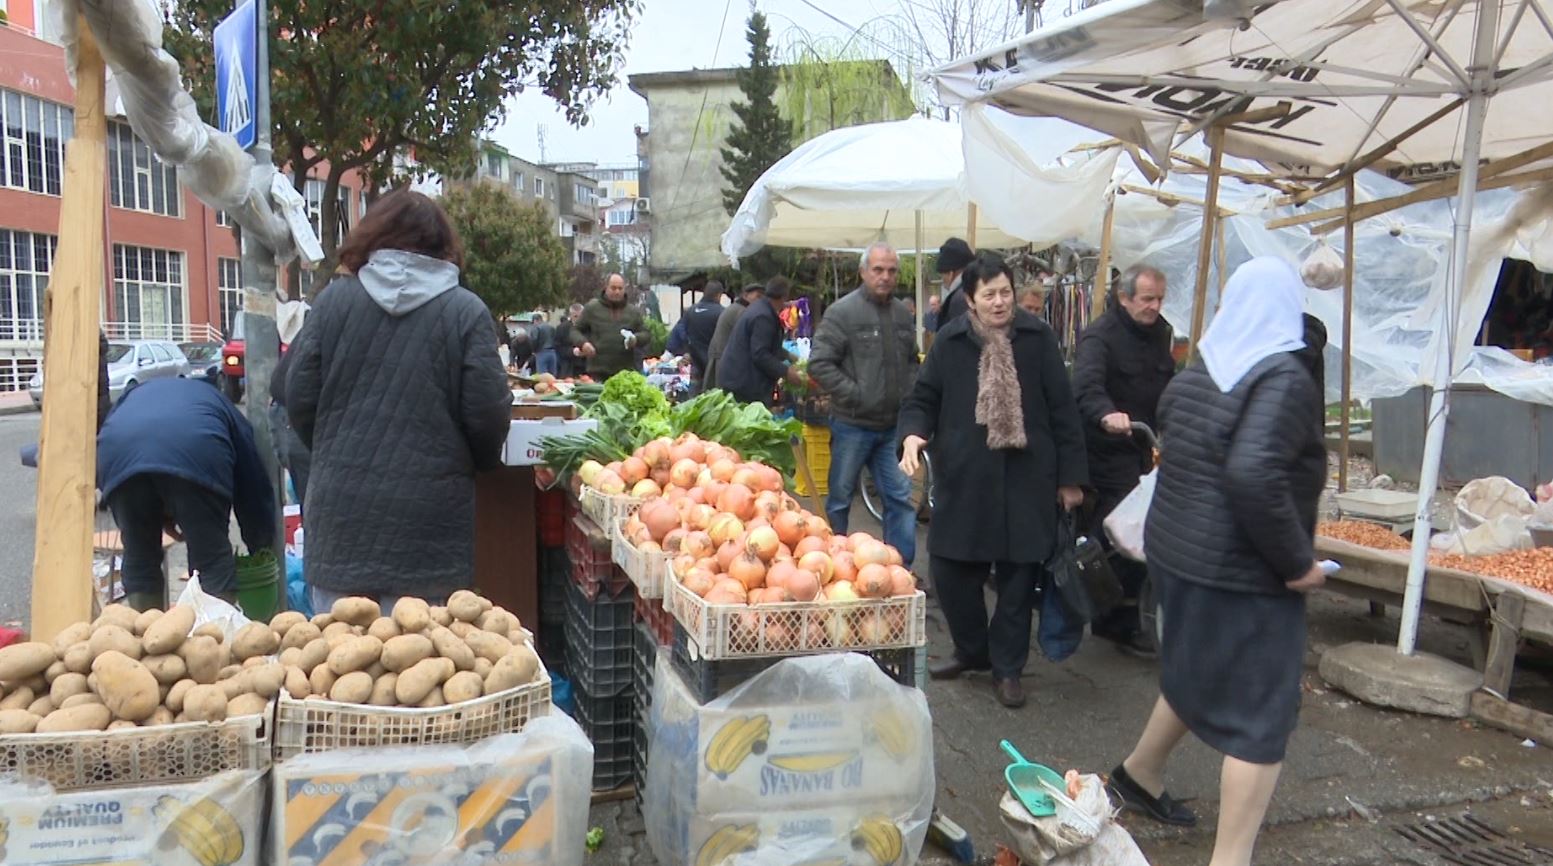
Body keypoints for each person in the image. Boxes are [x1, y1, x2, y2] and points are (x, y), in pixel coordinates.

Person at [1108, 257, 1326, 866]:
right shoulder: (1283, 377)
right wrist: (1295, 562)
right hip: (1241, 571)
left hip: (1177, 554)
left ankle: (1139, 772)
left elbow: (1177, 436)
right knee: (1263, 718)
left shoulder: (1204, 366)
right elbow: (1254, 475)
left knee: (1194, 669)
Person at [286, 190, 512, 611]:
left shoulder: (333, 303)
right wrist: (474, 464)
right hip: (430, 524)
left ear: (373, 236)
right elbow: (488, 416)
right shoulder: (466, 313)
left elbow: (297, 399)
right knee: (420, 663)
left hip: (341, 518)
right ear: (443, 245)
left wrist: (335, 450)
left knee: (338, 664)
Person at [898, 252, 1088, 708]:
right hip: (967, 477)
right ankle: (972, 650)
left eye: (1005, 292)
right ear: (970, 299)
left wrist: (1070, 479)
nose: (1000, 302)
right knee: (948, 570)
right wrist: (911, 436)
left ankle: (1007, 669)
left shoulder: (1037, 338)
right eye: (990, 295)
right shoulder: (951, 341)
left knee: (1017, 582)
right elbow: (923, 396)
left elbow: (1063, 410)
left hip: (1027, 479)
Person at [97, 378, 277, 611]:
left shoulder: (131, 399)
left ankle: (146, 636)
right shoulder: (219, 404)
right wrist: (261, 544)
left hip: (118, 456)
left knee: (140, 554)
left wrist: (165, 512)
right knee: (211, 561)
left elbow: (148, 467)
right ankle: (214, 636)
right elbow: (252, 484)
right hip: (197, 450)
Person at [1071, 263, 1174, 656]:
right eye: (1147, 298)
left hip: (1146, 446)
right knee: (1119, 532)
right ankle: (1109, 616)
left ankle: (1129, 609)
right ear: (1124, 297)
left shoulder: (1160, 332)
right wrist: (1106, 414)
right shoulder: (1100, 337)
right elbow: (1086, 386)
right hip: (1107, 449)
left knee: (1148, 527)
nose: (1154, 306)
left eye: (1159, 299)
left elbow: (1167, 383)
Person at [809, 242, 919, 567]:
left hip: (890, 430)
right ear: (863, 272)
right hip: (852, 425)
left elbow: (912, 360)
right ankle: (833, 568)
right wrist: (855, 394)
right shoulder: (842, 312)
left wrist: (909, 393)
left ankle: (900, 570)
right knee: (840, 500)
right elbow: (820, 363)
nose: (885, 276)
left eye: (891, 270)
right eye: (878, 270)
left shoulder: (902, 313)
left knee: (900, 498)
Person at [716, 277, 801, 405]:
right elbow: (760, 353)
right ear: (784, 297)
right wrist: (786, 371)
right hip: (743, 382)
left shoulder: (759, 308)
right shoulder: (764, 317)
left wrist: (787, 355)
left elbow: (766, 343)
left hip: (736, 376)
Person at [572, 273, 651, 380]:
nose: (617, 292)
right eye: (613, 288)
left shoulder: (633, 311)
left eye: (620, 288)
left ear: (624, 289)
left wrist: (635, 339)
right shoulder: (592, 308)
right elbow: (575, 330)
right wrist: (583, 343)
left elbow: (646, 334)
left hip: (625, 373)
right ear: (606, 288)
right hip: (598, 372)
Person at [705, 283, 762, 390]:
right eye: (757, 296)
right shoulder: (742, 312)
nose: (760, 301)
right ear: (745, 296)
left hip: (719, 356)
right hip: (725, 360)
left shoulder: (735, 308)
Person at [682, 282, 726, 389]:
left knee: (694, 391)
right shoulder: (722, 313)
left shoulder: (690, 311)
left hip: (694, 359)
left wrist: (686, 351)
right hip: (713, 361)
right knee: (712, 393)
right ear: (719, 295)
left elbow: (682, 333)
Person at [933, 237, 975, 332]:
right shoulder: (974, 289)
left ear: (950, 274)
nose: (942, 280)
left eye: (942, 275)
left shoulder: (960, 299)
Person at [554, 304, 583, 379]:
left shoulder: (589, 327)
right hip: (568, 366)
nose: (579, 319)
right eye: (576, 316)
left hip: (584, 366)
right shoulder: (562, 328)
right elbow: (558, 347)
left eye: (581, 316)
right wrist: (572, 351)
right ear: (571, 315)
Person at [531, 312, 558, 376]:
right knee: (552, 375)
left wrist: (534, 350)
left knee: (542, 375)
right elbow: (556, 339)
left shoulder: (536, 328)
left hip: (541, 352)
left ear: (535, 320)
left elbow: (534, 340)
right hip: (552, 352)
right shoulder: (552, 327)